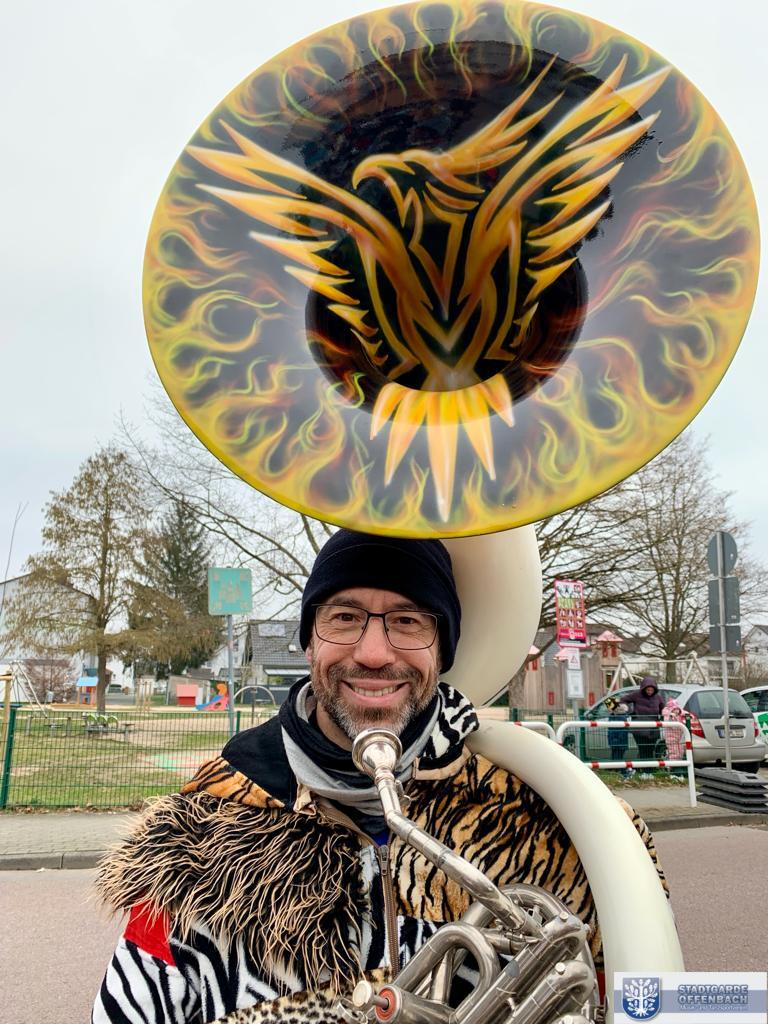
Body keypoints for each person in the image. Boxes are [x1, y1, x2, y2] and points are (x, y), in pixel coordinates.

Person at [92, 530, 668, 1023]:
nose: (372, 652)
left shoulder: (553, 824)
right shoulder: (193, 842)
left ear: (442, 649)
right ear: (310, 640)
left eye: (408, 621)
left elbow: (641, 997)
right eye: (344, 617)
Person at [621, 676, 667, 762]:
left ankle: (647, 768)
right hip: (639, 729)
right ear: (643, 688)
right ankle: (645, 768)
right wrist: (628, 709)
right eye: (648, 690)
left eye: (651, 690)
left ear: (655, 689)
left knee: (650, 750)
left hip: (653, 730)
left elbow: (664, 710)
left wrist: (666, 715)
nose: (650, 692)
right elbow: (623, 700)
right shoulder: (636, 695)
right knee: (643, 749)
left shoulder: (658, 697)